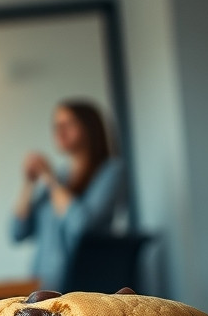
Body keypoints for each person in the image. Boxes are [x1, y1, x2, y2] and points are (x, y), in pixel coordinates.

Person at [12, 99, 128, 290]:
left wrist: (50, 180)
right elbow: (17, 232)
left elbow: (81, 225)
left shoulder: (111, 171)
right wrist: (28, 184)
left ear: (89, 128)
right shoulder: (60, 178)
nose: (59, 132)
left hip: (83, 285)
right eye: (56, 126)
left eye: (68, 124)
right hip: (41, 285)